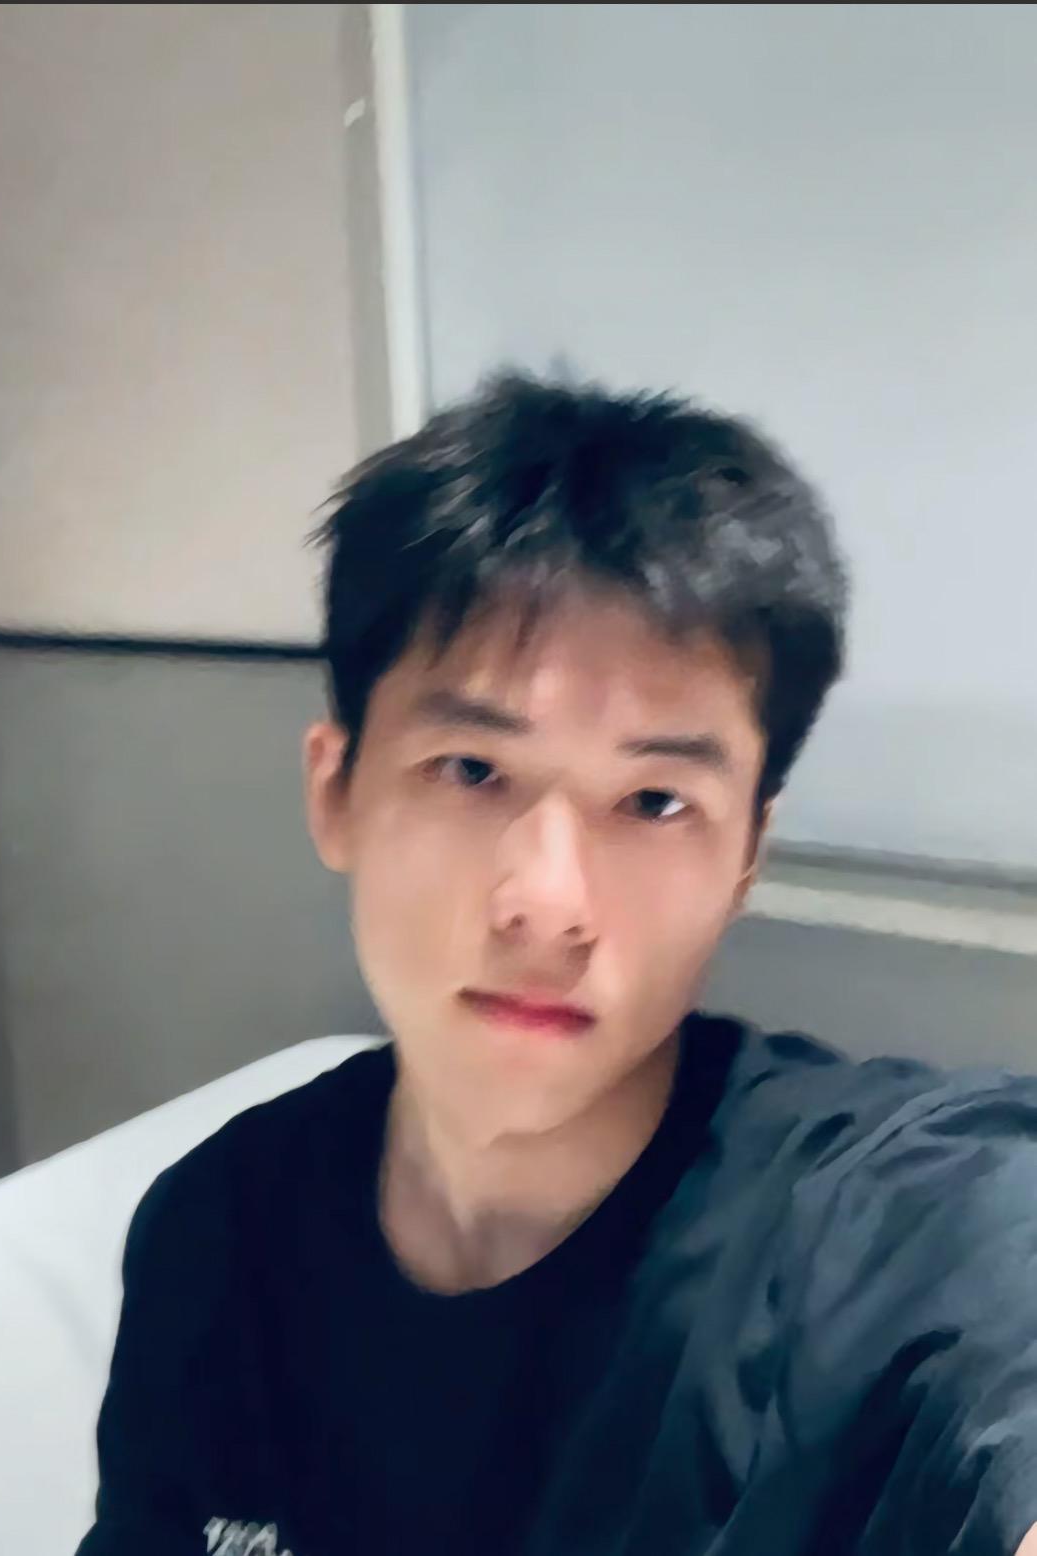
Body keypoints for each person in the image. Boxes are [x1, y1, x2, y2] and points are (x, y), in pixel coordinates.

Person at [76, 375, 1037, 1556]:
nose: (548, 904)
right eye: (473, 770)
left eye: (655, 800)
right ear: (336, 790)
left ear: (747, 854)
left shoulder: (882, 1227)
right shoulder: (219, 1234)